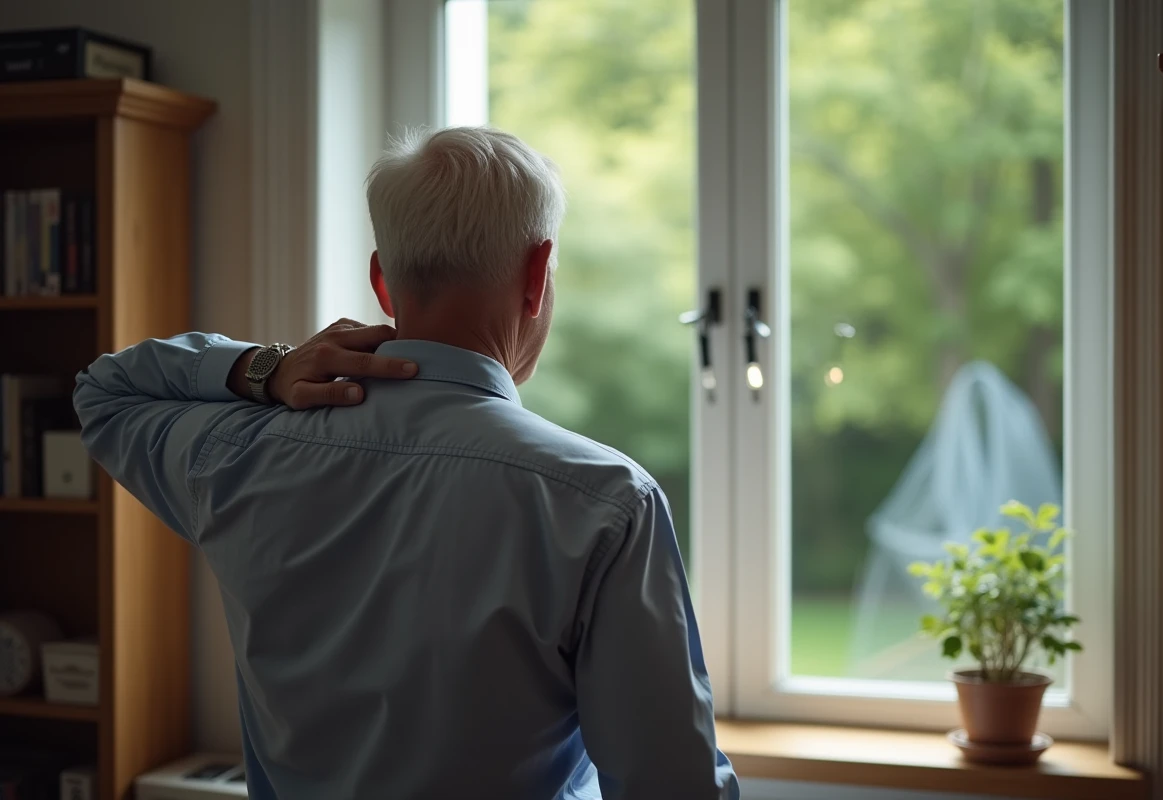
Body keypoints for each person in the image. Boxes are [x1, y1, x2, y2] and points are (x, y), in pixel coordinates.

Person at [74, 127, 738, 800]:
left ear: (382, 282)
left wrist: (262, 368)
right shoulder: (604, 502)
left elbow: (104, 391)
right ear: (538, 276)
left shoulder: (236, 453)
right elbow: (674, 786)